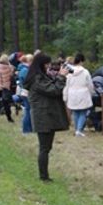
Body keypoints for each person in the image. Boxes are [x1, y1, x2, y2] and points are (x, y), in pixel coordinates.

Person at [24, 52, 69, 182]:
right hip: (43, 116)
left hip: (46, 115)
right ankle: (43, 176)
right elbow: (54, 90)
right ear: (41, 64)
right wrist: (61, 77)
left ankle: (44, 175)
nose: (49, 66)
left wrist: (57, 76)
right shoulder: (37, 79)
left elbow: (51, 87)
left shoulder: (39, 77)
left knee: (46, 148)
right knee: (44, 148)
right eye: (47, 64)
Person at [63, 53, 94, 136]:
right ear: (81, 61)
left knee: (75, 112)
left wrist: (65, 95)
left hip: (72, 93)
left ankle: (77, 129)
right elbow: (89, 84)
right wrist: (91, 92)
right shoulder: (85, 72)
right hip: (83, 92)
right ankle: (79, 130)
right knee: (83, 112)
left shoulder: (70, 72)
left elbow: (67, 84)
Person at [0, 54, 15, 122]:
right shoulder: (10, 67)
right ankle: (9, 118)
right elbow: (12, 73)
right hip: (6, 87)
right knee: (6, 104)